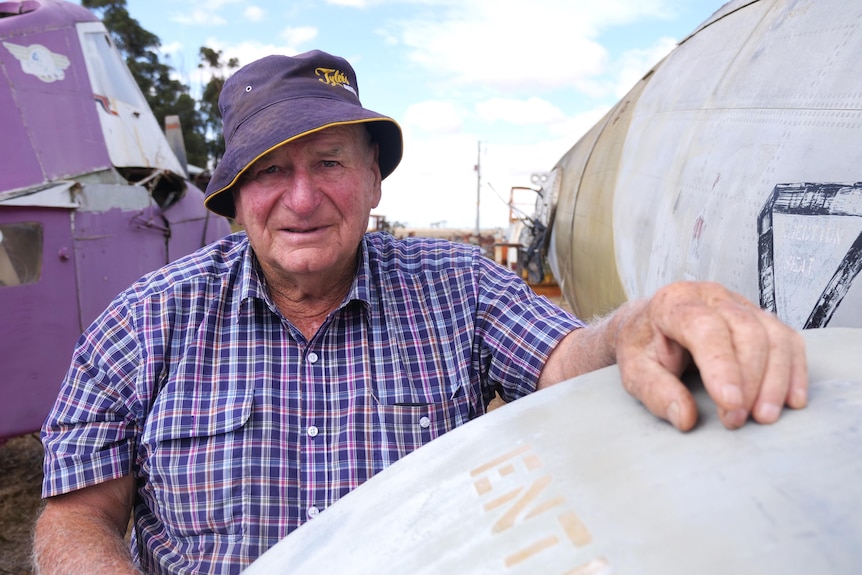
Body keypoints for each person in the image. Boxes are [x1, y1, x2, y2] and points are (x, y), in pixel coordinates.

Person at [32, 50, 807, 575]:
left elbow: (568, 360)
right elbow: (74, 518)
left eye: (331, 162)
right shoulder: (143, 324)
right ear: (235, 199)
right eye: (270, 172)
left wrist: (640, 325)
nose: (302, 199)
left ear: (374, 180)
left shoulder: (457, 286)